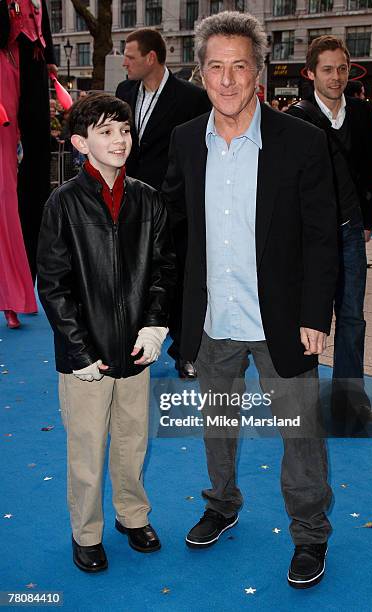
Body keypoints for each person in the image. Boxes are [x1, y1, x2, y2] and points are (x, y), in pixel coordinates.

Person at [162, 11, 338, 589]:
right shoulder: (186, 140)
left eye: (240, 65)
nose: (228, 79)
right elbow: (177, 230)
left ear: (258, 71)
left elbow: (320, 236)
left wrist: (317, 314)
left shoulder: (301, 143)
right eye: (216, 67)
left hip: (282, 320)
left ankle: (309, 534)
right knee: (216, 423)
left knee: (299, 432)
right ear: (202, 73)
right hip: (215, 318)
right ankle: (222, 503)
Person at [37, 93, 175, 573]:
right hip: (85, 358)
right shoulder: (62, 204)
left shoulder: (148, 199)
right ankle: (86, 531)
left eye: (124, 130)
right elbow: (54, 285)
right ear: (80, 143)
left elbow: (162, 269)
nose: (120, 140)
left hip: (136, 350)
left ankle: (132, 517)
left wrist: (156, 325)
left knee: (133, 441)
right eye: (106, 131)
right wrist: (78, 350)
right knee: (87, 448)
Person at [287, 36, 372, 430]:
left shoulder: (362, 114)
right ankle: (304, 403)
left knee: (352, 317)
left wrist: (368, 221)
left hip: (349, 230)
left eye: (342, 68)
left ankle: (350, 402)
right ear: (311, 72)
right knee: (307, 317)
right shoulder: (296, 117)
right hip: (309, 237)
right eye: (327, 69)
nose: (336, 77)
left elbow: (370, 171)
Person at [116, 28, 211, 379]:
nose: (124, 62)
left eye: (130, 57)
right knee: (134, 276)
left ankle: (185, 352)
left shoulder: (190, 97)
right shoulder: (124, 92)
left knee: (182, 277)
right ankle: (136, 347)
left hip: (176, 205)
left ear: (151, 58)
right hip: (131, 203)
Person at [0, 0, 56, 327]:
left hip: (31, 76)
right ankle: (10, 295)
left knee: (30, 195)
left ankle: (21, 288)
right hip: (5, 78)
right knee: (6, 193)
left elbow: (42, 35)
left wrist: (48, 64)